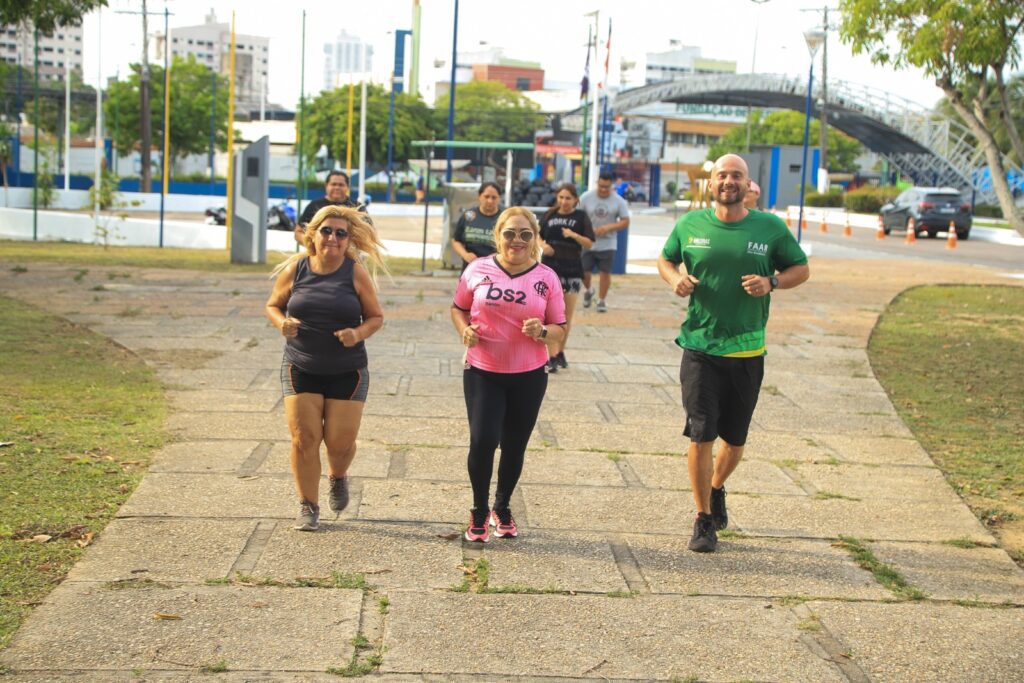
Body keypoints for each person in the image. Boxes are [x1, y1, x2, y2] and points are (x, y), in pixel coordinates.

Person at [657, 154, 810, 553]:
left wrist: (771, 281)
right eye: (722, 175)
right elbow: (666, 258)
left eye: (736, 176)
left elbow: (801, 268)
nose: (729, 181)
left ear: (748, 184)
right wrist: (676, 278)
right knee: (701, 432)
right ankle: (703, 519)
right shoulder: (690, 225)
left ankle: (716, 486)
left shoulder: (770, 227)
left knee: (735, 440)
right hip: (699, 346)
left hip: (747, 349)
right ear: (711, 184)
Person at [266, 205, 387, 531]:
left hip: (347, 370)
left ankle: (338, 475)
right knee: (304, 438)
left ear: (348, 241)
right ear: (313, 234)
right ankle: (308, 504)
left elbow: (376, 317)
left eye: (340, 233)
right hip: (300, 364)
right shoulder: (297, 269)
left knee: (339, 443)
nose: (332, 238)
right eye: (326, 231)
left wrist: (357, 334)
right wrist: (282, 323)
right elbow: (273, 305)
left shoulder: (354, 272)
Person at [451, 207, 567, 542]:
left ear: (535, 239)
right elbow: (458, 307)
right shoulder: (478, 269)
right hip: (483, 370)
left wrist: (542, 332)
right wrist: (464, 330)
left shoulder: (547, 278)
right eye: (510, 233)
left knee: (514, 446)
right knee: (484, 440)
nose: (517, 241)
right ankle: (478, 510)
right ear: (497, 235)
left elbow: (559, 329)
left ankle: (502, 507)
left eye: (525, 234)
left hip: (528, 374)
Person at [538, 183, 595, 372]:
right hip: (549, 270)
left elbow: (589, 243)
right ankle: (551, 355)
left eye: (568, 198)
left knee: (565, 316)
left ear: (575, 200)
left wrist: (574, 235)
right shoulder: (549, 215)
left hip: (571, 271)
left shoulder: (581, 217)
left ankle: (560, 351)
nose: (564, 201)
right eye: (561, 197)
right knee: (549, 314)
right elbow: (536, 235)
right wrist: (542, 246)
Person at [580, 172, 630, 313]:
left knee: (605, 273)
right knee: (584, 272)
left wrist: (609, 227)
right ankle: (589, 290)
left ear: (611, 186)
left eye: (606, 187)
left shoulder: (619, 201)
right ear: (597, 183)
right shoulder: (585, 198)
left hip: (608, 242)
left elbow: (625, 221)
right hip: (588, 241)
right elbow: (577, 216)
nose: (603, 190)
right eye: (601, 186)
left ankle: (601, 300)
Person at [294, 171, 368, 244]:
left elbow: (369, 232)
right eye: (333, 184)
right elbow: (298, 232)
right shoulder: (314, 206)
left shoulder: (357, 207)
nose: (337, 187)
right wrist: (312, 244)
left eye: (341, 185)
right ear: (326, 186)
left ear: (347, 187)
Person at [450, 182, 502, 270]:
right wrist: (465, 254)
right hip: (470, 269)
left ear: (499, 199)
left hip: (495, 269)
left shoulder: (504, 219)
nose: (490, 200)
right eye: (486, 196)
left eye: (494, 197)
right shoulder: (468, 216)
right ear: (479, 196)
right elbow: (456, 240)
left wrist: (499, 256)